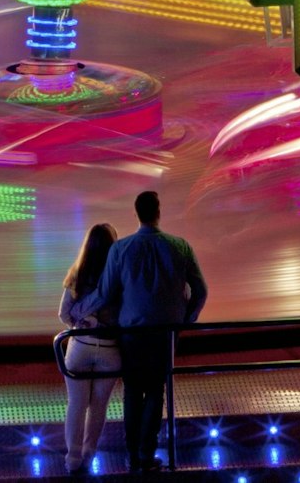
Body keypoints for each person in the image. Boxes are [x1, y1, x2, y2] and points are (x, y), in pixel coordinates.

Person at [97, 191, 208, 472]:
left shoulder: (120, 249)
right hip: (166, 333)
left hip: (132, 332)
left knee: (133, 391)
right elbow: (200, 290)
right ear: (159, 211)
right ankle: (147, 453)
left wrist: (76, 311)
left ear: (136, 214)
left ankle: (133, 453)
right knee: (157, 390)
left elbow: (106, 292)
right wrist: (186, 318)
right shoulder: (179, 246)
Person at [58, 223, 119, 474]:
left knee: (76, 404)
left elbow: (63, 315)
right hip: (110, 349)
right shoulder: (118, 277)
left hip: (80, 347)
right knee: (98, 406)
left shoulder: (77, 274)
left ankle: (72, 460)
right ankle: (89, 455)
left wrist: (83, 320)